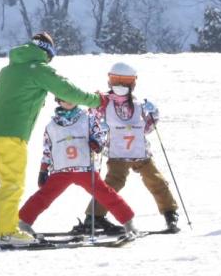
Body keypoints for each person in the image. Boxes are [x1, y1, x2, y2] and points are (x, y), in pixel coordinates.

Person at [0, 32, 102, 247]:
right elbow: (68, 91)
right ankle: (7, 232)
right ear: (47, 52)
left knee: (6, 184)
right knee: (14, 184)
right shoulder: (38, 69)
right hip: (12, 134)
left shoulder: (8, 70)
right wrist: (96, 100)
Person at [78, 62, 179, 235]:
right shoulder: (104, 103)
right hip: (118, 154)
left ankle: (170, 213)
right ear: (109, 81)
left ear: (133, 84)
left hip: (140, 152)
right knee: (111, 184)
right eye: (116, 80)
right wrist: (95, 135)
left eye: (125, 81)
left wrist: (153, 116)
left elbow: (145, 129)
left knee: (156, 181)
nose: (120, 86)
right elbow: (94, 123)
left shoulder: (139, 105)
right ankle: (94, 217)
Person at [19, 97, 137, 237]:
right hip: (61, 170)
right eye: (63, 98)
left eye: (71, 97)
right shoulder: (51, 126)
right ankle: (23, 223)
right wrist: (43, 169)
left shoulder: (87, 118)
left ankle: (128, 222)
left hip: (85, 168)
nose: (68, 100)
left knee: (105, 194)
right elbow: (48, 149)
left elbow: (101, 135)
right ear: (58, 100)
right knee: (44, 196)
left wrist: (97, 144)